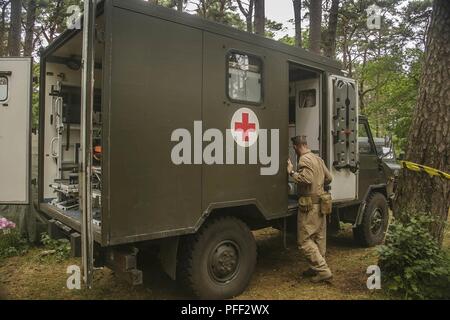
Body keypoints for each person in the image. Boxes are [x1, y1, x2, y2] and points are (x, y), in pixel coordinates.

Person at [287, 135, 333, 283]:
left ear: (296, 147)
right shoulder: (317, 158)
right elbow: (329, 178)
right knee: (319, 238)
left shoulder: (304, 159)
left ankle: (323, 270)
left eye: (294, 148)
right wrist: (318, 185)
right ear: (306, 144)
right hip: (321, 204)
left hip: (310, 207)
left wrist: (291, 172)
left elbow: (306, 179)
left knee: (304, 241)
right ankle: (316, 268)